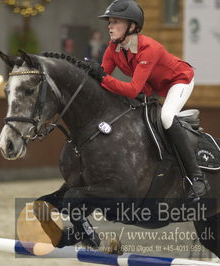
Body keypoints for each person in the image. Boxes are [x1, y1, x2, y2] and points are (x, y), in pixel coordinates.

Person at [89, 0, 210, 200]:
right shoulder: (113, 49)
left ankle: (197, 178)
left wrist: (101, 77)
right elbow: (103, 80)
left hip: (179, 80)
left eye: (116, 22)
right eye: (109, 22)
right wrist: (90, 75)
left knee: (167, 117)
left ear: (132, 26)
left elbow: (131, 88)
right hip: (152, 87)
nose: (110, 26)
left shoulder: (149, 49)